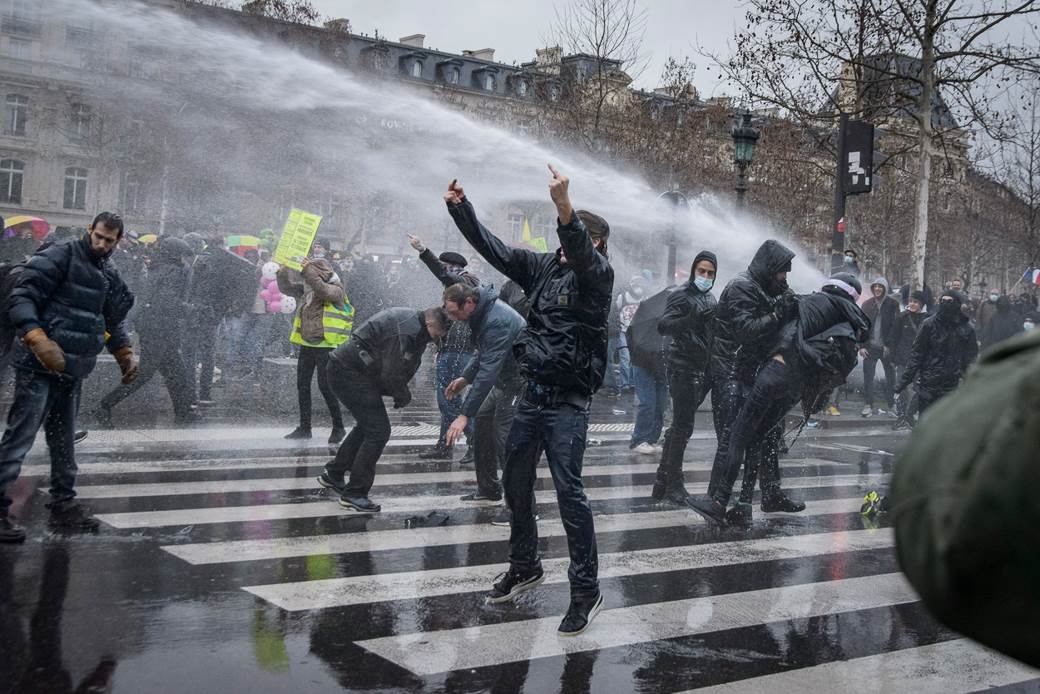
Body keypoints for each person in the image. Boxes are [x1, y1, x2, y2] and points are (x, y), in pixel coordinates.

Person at [445, 165, 613, 636]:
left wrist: (564, 207)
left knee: (569, 496)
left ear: (595, 242)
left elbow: (580, 252)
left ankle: (585, 591)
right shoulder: (542, 267)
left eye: (576, 235)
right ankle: (525, 565)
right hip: (532, 397)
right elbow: (495, 251)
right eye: (562, 232)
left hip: (568, 403)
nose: (563, 243)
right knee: (514, 485)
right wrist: (462, 210)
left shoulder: (597, 277)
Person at [0, 213, 137, 542]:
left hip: (72, 368)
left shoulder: (108, 272)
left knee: (63, 445)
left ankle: (64, 503)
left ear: (118, 242)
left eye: (109, 240)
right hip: (37, 367)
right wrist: (37, 338)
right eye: (98, 236)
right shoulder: (59, 255)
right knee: (19, 439)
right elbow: (21, 297)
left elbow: (110, 317)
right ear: (90, 230)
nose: (101, 243)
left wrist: (123, 352)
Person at [692, 273, 869, 526]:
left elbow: (781, 332)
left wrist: (769, 359)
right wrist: (817, 400)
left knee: (739, 435)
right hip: (797, 388)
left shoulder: (812, 302)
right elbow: (838, 369)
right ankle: (743, 506)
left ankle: (719, 501)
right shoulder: (852, 321)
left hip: (776, 372)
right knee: (759, 437)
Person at [316, 306, 450, 512]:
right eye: (437, 334)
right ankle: (355, 493)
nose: (436, 340)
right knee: (379, 431)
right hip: (348, 373)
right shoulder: (407, 331)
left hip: (350, 370)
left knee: (368, 425)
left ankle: (334, 472)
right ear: (430, 324)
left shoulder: (415, 324)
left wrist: (398, 390)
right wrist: (402, 394)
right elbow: (391, 372)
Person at [706, 239, 803, 524]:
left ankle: (771, 492)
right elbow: (746, 331)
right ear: (770, 269)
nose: (785, 278)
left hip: (756, 372)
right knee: (732, 436)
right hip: (731, 372)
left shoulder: (770, 287)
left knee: (768, 434)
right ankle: (716, 499)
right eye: (782, 272)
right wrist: (777, 313)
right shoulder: (742, 287)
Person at [96, 237, 197, 427]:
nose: (184, 260)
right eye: (181, 255)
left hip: (154, 327)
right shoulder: (174, 271)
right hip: (161, 329)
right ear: (175, 254)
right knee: (145, 374)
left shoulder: (157, 267)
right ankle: (105, 405)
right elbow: (166, 301)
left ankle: (184, 412)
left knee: (176, 373)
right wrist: (190, 309)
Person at [441, 282, 525, 503]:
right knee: (482, 430)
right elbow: (485, 353)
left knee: (504, 439)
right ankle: (489, 489)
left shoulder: (496, 320)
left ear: (468, 303)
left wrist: (464, 414)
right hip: (503, 381)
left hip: (519, 383)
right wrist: (465, 378)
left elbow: (488, 370)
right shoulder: (483, 312)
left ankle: (522, 506)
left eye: (454, 312)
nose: (453, 318)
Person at [652, 251, 717, 504]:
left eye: (710, 273)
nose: (705, 276)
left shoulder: (710, 297)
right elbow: (664, 325)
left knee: (680, 427)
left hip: (699, 366)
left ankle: (662, 480)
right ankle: (673, 484)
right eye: (701, 271)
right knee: (682, 427)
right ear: (693, 270)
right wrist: (691, 319)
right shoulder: (681, 294)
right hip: (681, 365)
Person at [408, 235, 479, 462]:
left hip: (459, 350)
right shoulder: (462, 285)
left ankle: (475, 442)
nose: (444, 272)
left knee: (448, 399)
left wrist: (423, 250)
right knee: (447, 399)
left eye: (446, 267)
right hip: (453, 349)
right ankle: (444, 445)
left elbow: (443, 274)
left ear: (453, 267)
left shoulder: (463, 284)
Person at [277, 257, 353, 444]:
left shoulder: (336, 288)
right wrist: (282, 272)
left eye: (313, 272)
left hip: (326, 345)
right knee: (302, 385)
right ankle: (305, 427)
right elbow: (286, 288)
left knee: (325, 386)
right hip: (308, 343)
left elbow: (323, 291)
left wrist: (308, 269)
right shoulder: (309, 289)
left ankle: (338, 426)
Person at [893, 290, 979, 416]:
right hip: (929, 384)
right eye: (942, 301)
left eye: (949, 301)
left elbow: (970, 358)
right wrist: (903, 382)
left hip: (952, 385)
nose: (945, 304)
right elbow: (917, 354)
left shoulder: (966, 328)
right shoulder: (929, 324)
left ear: (957, 303)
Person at [859, 277, 900, 416]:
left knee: (890, 378)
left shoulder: (893, 304)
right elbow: (861, 327)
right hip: (870, 347)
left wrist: (889, 345)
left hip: (886, 348)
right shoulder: (866, 304)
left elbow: (896, 327)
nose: (877, 289)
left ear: (885, 288)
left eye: (880, 286)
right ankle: (868, 405)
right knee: (868, 377)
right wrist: (862, 346)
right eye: (875, 286)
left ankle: (891, 405)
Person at [891, 290, 928, 428]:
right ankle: (901, 416)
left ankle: (910, 415)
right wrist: (894, 357)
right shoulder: (902, 317)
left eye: (915, 302)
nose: (912, 304)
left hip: (919, 361)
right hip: (903, 359)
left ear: (921, 304)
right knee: (901, 387)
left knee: (918, 389)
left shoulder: (927, 319)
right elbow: (894, 338)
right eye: (910, 301)